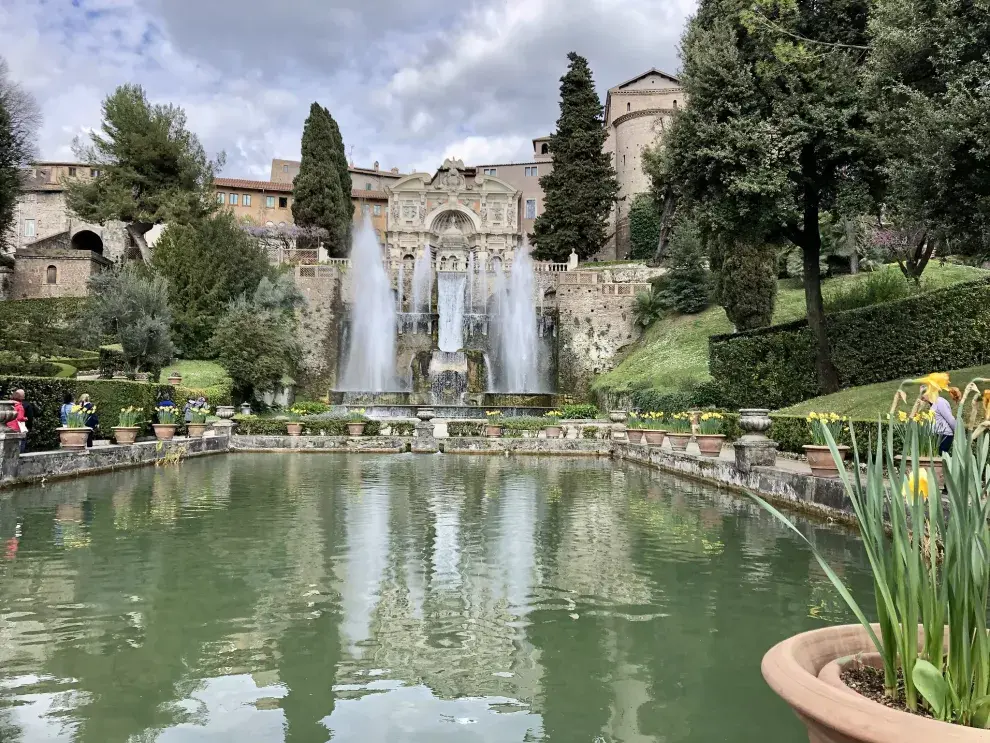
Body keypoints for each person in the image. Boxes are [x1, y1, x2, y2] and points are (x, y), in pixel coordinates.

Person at [930, 386, 958, 455]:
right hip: (939, 435)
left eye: (923, 392)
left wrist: (958, 434)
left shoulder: (940, 402)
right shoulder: (933, 403)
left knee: (940, 458)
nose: (921, 395)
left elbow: (950, 419)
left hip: (944, 435)